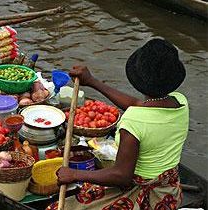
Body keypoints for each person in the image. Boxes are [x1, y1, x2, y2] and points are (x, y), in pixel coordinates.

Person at [47, 38, 188, 210]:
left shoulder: (133, 122)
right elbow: (137, 104)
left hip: (141, 196)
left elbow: (122, 176)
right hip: (168, 190)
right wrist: (93, 82)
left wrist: (74, 174)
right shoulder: (180, 102)